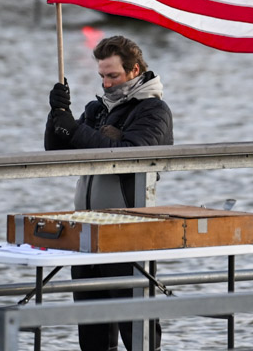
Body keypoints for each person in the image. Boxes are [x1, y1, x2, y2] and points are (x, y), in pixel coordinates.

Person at [46, 35, 173, 351]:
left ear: (134, 70)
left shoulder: (154, 110)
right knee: (92, 333)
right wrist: (57, 114)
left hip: (128, 231)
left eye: (113, 76)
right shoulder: (97, 109)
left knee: (137, 329)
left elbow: (131, 156)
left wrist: (76, 130)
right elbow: (57, 151)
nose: (106, 83)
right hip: (86, 231)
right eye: (102, 76)